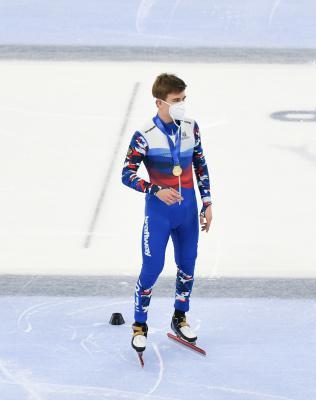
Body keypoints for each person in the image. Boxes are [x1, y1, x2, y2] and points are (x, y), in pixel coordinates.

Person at [121, 73, 212, 353]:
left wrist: (207, 202)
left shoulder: (190, 127)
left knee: (187, 265)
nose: (181, 105)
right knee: (152, 268)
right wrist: (154, 189)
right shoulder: (144, 136)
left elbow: (200, 164)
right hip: (160, 214)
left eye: (183, 99)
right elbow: (127, 174)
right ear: (159, 102)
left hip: (187, 212)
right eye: (176, 101)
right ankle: (139, 324)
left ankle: (179, 317)